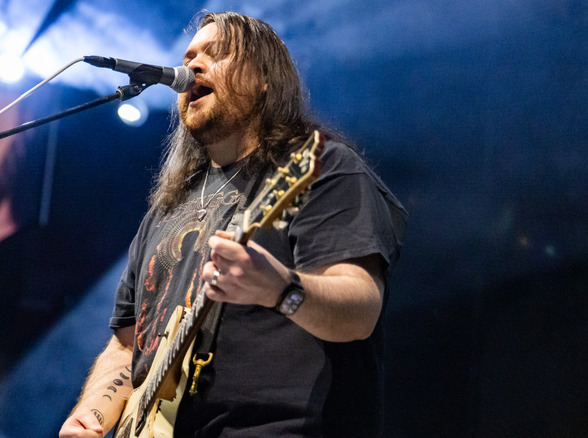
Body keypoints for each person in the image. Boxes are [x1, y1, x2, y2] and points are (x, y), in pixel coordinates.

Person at [59, 11, 407, 438]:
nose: (193, 67)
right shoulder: (165, 211)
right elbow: (128, 343)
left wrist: (279, 288)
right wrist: (92, 413)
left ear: (265, 80)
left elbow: (360, 312)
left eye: (218, 53)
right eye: (189, 56)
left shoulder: (321, 169)